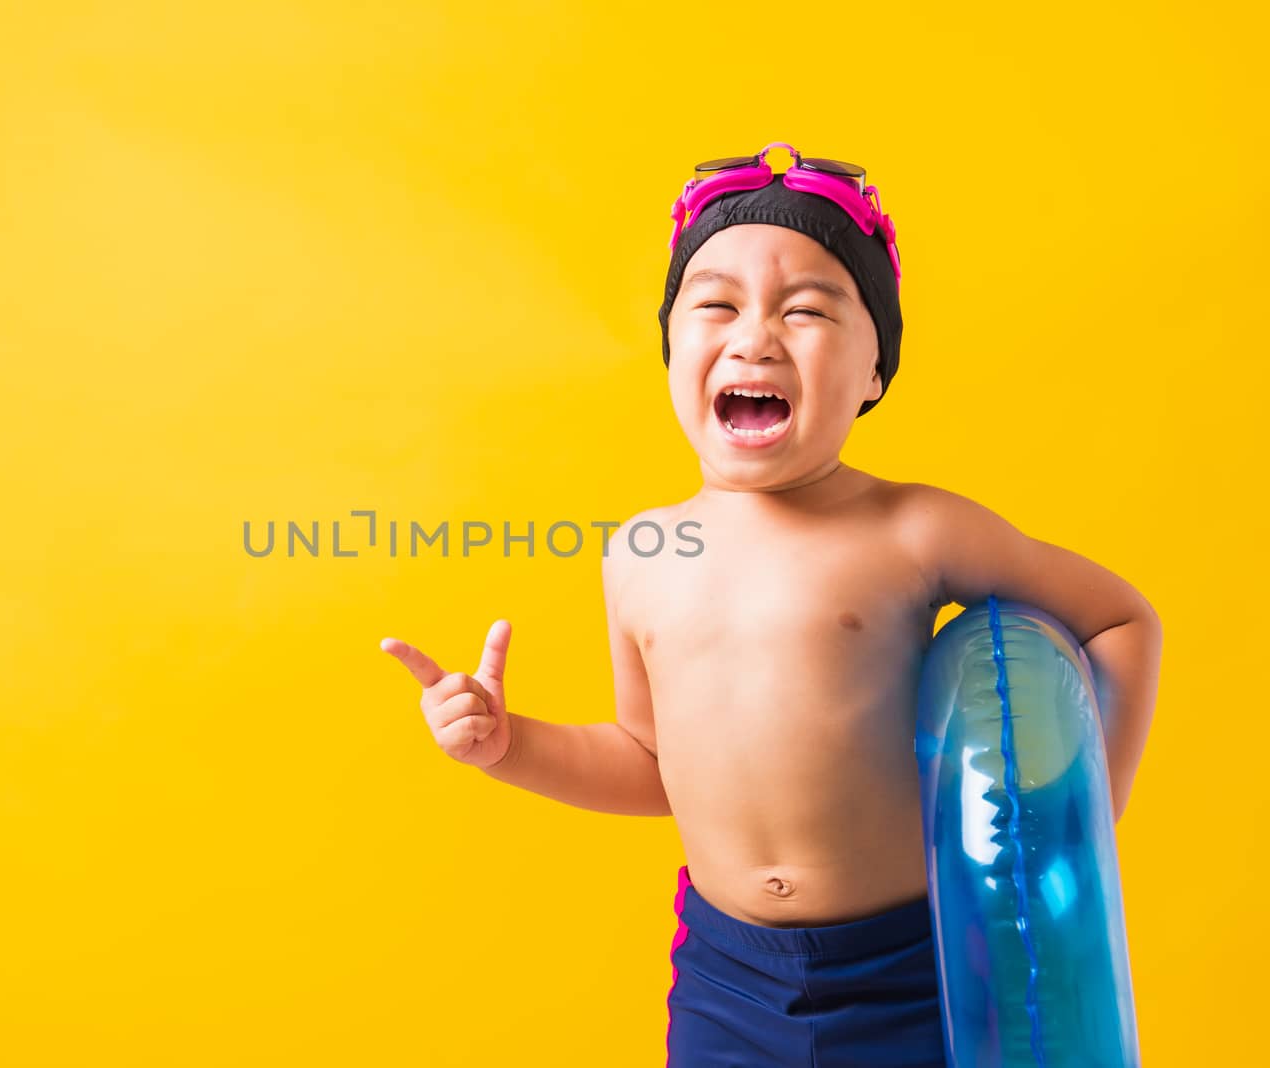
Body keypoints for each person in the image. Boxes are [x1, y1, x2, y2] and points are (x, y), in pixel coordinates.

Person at [379, 143, 1162, 1067]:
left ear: (876, 371)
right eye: (714, 304)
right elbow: (648, 762)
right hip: (728, 974)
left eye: (807, 310)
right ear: (674, 353)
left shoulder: (916, 531)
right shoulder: (642, 552)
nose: (755, 336)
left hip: (917, 968)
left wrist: (1070, 840)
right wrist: (511, 747)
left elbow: (1120, 620)